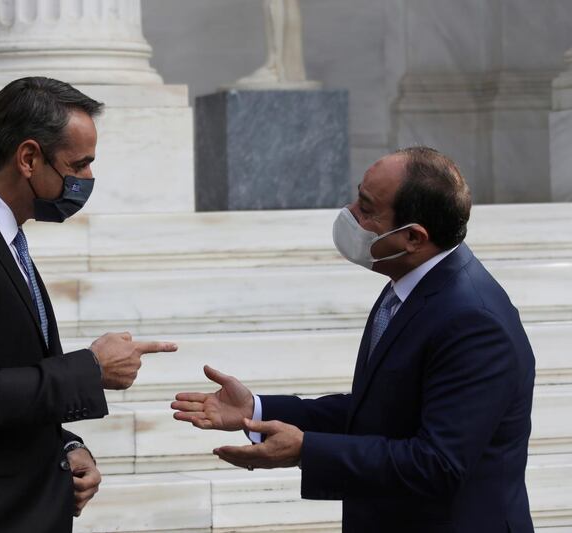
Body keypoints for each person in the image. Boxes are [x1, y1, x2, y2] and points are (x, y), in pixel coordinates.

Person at [172, 147, 535, 532]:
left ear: (413, 237)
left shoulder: (473, 321)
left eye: (366, 208)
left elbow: (437, 463)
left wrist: (307, 449)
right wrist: (257, 410)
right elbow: (382, 412)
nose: (350, 213)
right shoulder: (410, 284)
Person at [0, 76, 177, 533]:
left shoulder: (1, 236)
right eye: (78, 165)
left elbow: (11, 376)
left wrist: (65, 448)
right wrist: (91, 368)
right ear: (28, 158)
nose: (87, 180)